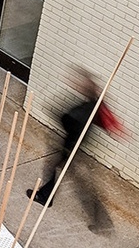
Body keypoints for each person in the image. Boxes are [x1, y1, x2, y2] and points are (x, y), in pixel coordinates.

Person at [28, 69, 123, 233]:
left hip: (72, 146)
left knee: (83, 187)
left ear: (87, 87)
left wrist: (62, 116)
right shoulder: (94, 104)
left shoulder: (88, 107)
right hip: (73, 144)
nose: (76, 84)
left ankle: (102, 223)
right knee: (57, 169)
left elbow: (68, 120)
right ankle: (45, 196)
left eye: (80, 83)